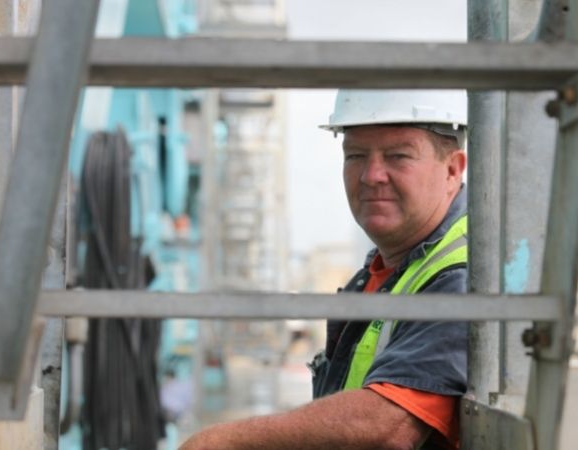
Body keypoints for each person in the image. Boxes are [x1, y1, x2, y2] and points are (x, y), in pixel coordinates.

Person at [180, 89, 468, 450]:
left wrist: (223, 441)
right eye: (356, 156)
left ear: (452, 170)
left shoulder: (462, 274)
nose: (372, 175)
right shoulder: (384, 272)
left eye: (398, 156)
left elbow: (388, 424)